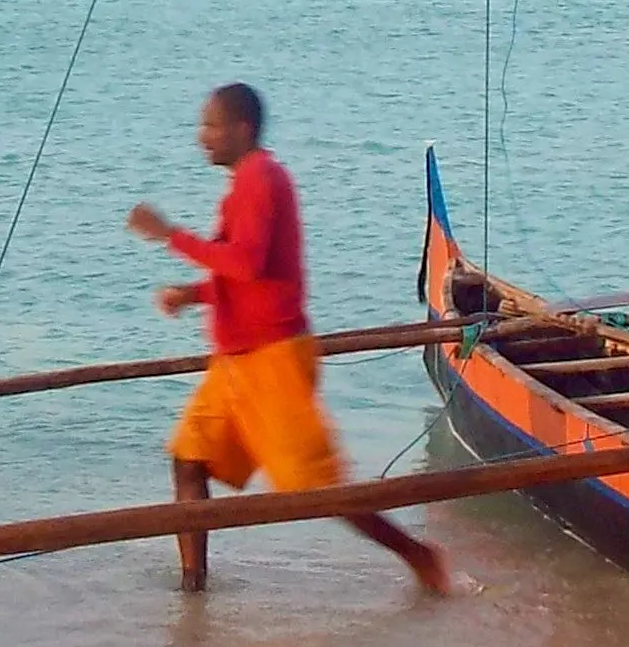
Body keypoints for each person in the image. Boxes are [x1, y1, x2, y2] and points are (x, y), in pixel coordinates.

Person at [125, 84, 448, 596]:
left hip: (274, 359)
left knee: (316, 487)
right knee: (188, 460)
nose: (202, 137)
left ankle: (420, 556)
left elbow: (248, 263)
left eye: (211, 126)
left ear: (242, 130)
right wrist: (193, 294)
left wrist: (171, 236)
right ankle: (194, 587)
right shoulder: (244, 185)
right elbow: (246, 271)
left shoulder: (261, 179)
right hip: (236, 362)